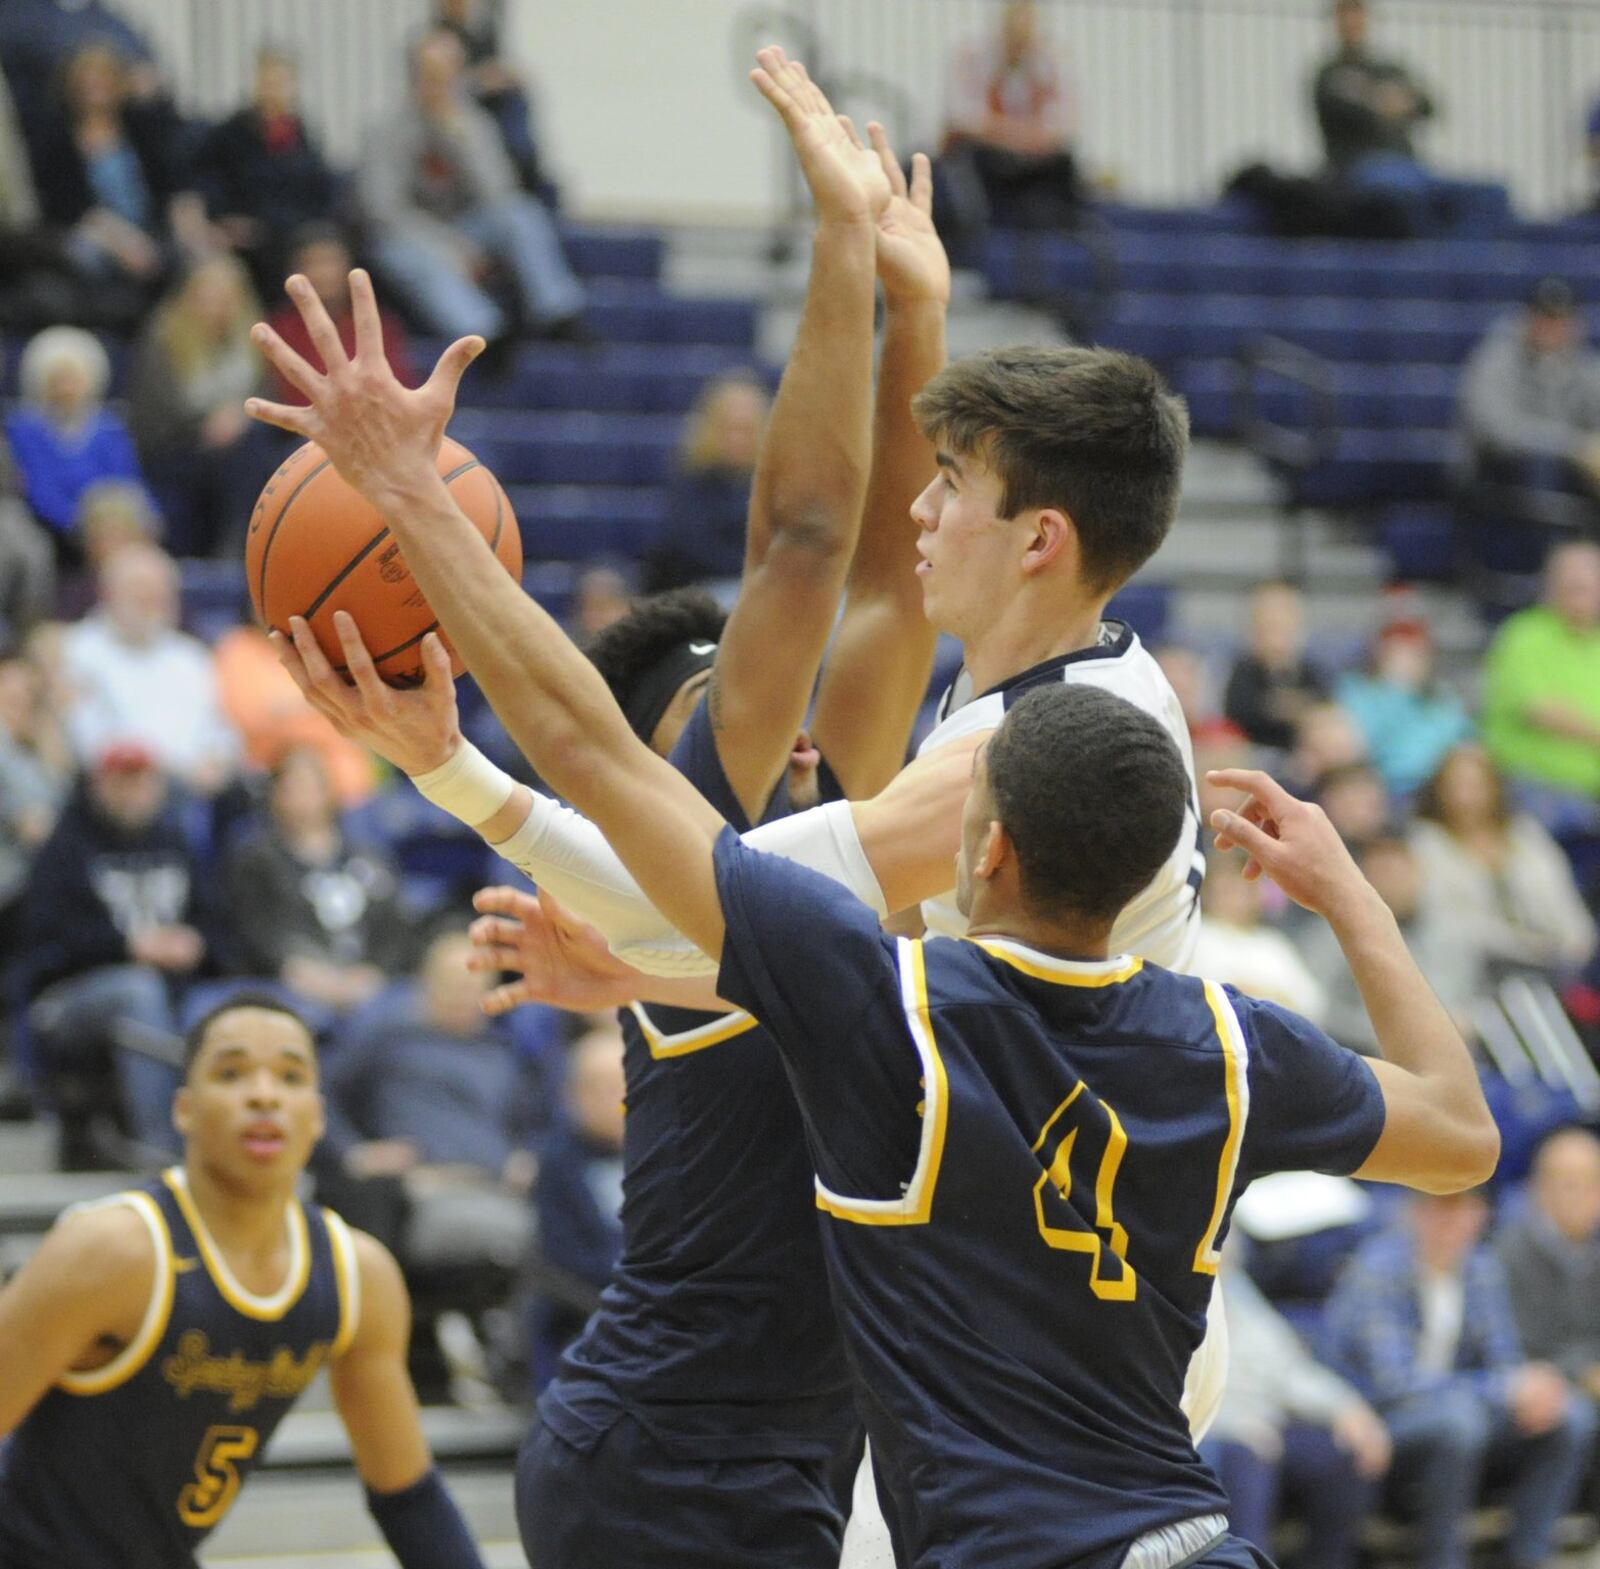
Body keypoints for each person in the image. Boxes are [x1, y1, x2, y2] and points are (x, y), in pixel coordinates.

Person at [244, 293, 1503, 1569]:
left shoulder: (909, 1004)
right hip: (1173, 1495)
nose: (923, 508)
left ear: (984, 840)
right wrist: (1347, 894)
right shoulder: (1220, 1027)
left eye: (953, 484)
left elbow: (619, 766)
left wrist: (415, 531)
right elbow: (1459, 1134)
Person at [276, 58, 943, 1567]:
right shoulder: (692, 857)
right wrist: (840, 242)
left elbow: (900, 577)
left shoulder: (822, 845)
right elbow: (806, 542)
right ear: (671, 752)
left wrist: (923, 306)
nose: (780, 721)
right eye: (724, 711)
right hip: (673, 1462)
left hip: (781, 1456)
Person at [0, 992, 488, 1569]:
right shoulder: (110, 1252)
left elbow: (408, 1496)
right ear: (184, 1110)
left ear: (318, 1115)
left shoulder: (358, 1274)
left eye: (290, 1075)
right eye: (231, 1073)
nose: (263, 1094)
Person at [1326, 1187, 1596, 1569]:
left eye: (1466, 1210)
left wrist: (1530, 1388)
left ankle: (1527, 1554)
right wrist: (1503, 1389)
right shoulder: (1378, 1269)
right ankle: (1440, 1558)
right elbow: (1395, 1384)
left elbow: (1504, 1359)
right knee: (1460, 1423)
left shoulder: (1480, 1266)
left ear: (1481, 1216)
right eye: (1442, 1210)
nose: (1453, 1222)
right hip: (1375, 1417)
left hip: (1464, 1405)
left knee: (1570, 1413)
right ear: (1415, 1212)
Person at [16, 741, 211, 1161]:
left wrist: (197, 942)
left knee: (228, 1005)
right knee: (138, 991)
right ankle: (165, 1153)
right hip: (67, 1001)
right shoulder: (66, 845)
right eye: (120, 781)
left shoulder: (176, 840)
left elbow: (216, 920)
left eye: (141, 781)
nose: (132, 792)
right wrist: (128, 945)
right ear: (98, 784)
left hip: (174, 989)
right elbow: (45, 940)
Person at [359, 27, 585, 345]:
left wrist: (463, 137)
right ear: (413, 74)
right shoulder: (384, 131)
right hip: (414, 236)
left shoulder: (475, 124)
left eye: (447, 72)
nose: (439, 82)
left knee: (521, 214)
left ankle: (558, 314)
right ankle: (485, 336)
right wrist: (448, 247)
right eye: (430, 73)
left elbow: (501, 194)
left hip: (471, 228)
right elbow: (382, 211)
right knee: (400, 252)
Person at [1199, 1244, 1390, 1569]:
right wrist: (1232, 1423)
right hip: (1209, 1430)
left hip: (1268, 1419)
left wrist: (1345, 1407)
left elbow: (1289, 1368)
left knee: (1342, 1454)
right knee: (1246, 1458)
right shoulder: (1165, 1296)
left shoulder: (1237, 1288)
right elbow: (1172, 1390)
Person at [221, 745, 406, 1019]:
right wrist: (306, 975)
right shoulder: (255, 859)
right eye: (293, 786)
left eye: (312, 785)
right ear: (275, 794)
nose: (304, 797)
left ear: (329, 791)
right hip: (289, 985)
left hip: (367, 984)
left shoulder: (367, 857)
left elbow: (395, 927)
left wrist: (375, 973)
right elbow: (256, 932)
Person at [61, 541, 241, 793]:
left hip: (192, 788)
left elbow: (219, 729)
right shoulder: (77, 649)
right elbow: (82, 735)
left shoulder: (190, 656)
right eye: (140, 591)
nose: (151, 603)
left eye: (159, 592)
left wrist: (217, 760)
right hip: (117, 785)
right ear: (109, 593)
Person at [127, 255, 271, 558]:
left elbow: (267, 395)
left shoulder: (254, 342)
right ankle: (236, 550)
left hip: (234, 445)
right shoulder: (161, 340)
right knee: (242, 455)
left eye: (227, 296)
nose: (218, 305)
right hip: (175, 447)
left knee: (251, 450)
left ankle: (241, 549)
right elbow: (157, 414)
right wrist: (210, 423)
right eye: (209, 295)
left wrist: (238, 417)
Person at [1411, 745, 1597, 979]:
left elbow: (1565, 903)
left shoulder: (1527, 834)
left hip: (1555, 963)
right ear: (1438, 791)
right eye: (1455, 786)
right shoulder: (1425, 842)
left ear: (1494, 787)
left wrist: (1574, 947)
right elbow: (1444, 921)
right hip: (1477, 972)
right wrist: (1522, 947)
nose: (1465, 797)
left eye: (1475, 785)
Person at [1299, 834, 1482, 1056]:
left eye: (1401, 871)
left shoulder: (1448, 930)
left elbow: (1468, 997)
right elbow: (1313, 1008)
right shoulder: (1333, 932)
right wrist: (1394, 1033)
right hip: (1367, 1059)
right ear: (1363, 878)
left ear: (1418, 873)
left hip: (1449, 1055)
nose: (1394, 882)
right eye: (1383, 872)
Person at [192, 45, 340, 294]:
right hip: (244, 239)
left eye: (281, 82)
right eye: (267, 81)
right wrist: (224, 221)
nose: (274, 90)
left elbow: (318, 195)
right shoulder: (231, 134)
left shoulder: (303, 138)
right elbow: (209, 182)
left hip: (290, 234)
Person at [530, 1021, 626, 1387]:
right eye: (602, 1089)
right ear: (573, 1095)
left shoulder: (662, 1155)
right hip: (584, 1317)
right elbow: (564, 1257)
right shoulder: (558, 1162)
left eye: (623, 1085)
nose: (618, 1099)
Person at [1482, 539, 1600, 831]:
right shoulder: (1524, 634)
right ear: (1551, 587)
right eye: (1574, 587)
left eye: (1590, 586)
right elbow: (1540, 710)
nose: (1584, 596)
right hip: (1534, 786)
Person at [3, 323, 147, 557]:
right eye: (58, 379)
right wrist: (84, 524)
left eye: (73, 379)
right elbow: (38, 488)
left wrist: (141, 517)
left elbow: (126, 480)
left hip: (109, 522)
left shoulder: (108, 428)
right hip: (54, 528)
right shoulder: (25, 428)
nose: (66, 389)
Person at [1459, 277, 1600, 514]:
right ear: (1527, 319)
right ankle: (1553, 548)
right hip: (1494, 482)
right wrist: (1575, 447)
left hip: (1570, 479)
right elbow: (1497, 432)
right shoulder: (1496, 358)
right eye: (1545, 317)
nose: (1552, 328)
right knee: (1540, 469)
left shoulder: (1586, 364)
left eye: (1560, 319)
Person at [940, 0, 1080, 237]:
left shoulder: (1049, 64)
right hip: (988, 157)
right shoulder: (973, 59)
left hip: (1031, 159)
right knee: (973, 158)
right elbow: (962, 116)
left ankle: (1058, 229)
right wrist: (1011, 134)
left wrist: (1029, 138)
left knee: (1064, 164)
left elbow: (1063, 121)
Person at [1496, 1128, 1600, 1406]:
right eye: (1570, 1185)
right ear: (1540, 1189)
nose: (1585, 1197)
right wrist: (1584, 1373)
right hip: (1540, 1387)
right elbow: (1519, 1347)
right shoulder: (1509, 1253)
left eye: (1593, 1184)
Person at [264, 225, 416, 406]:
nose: (322, 273)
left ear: (348, 267)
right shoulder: (281, 329)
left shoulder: (380, 323)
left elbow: (401, 386)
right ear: (293, 273)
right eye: (311, 263)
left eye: (329, 262)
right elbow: (292, 394)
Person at [647, 370, 770, 589]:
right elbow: (694, 547)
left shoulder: (774, 485)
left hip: (760, 591)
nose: (738, 439)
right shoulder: (689, 480)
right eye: (730, 429)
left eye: (746, 430)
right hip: (703, 590)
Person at [1335, 613, 1473, 797]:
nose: (1407, 661)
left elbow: (1462, 741)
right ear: (1379, 655)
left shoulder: (1442, 699)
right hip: (1378, 786)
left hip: (1435, 789)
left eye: (1415, 654)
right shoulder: (1356, 692)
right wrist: (1396, 692)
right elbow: (1361, 744)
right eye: (1397, 653)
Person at [1312, 0, 1436, 190]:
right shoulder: (1328, 75)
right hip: (1354, 169)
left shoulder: (1390, 69)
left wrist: (1399, 103)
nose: (1351, 23)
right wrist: (1383, 102)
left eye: (1356, 16)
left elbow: (1428, 107)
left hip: (1406, 165)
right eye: (1345, 17)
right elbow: (1347, 115)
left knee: (1488, 194)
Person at [1190, 850, 1326, 1021]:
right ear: (1210, 892)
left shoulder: (1273, 943)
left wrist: (1258, 992)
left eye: (1244, 889)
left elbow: (1312, 1003)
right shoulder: (1197, 937)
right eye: (1228, 889)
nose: (1236, 898)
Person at [1223, 581, 1328, 752]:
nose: (1276, 637)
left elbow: (1323, 710)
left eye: (1283, 626)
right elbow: (1240, 714)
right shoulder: (1239, 672)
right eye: (1269, 626)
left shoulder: (1313, 672)